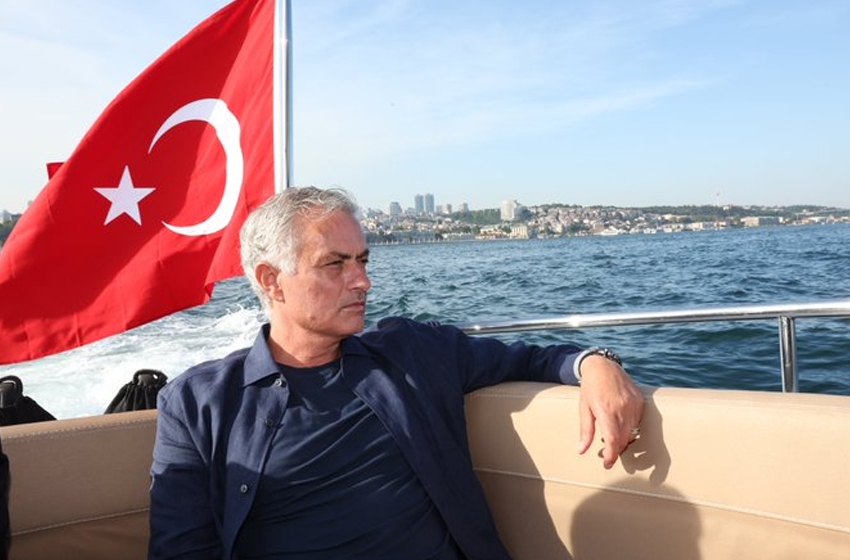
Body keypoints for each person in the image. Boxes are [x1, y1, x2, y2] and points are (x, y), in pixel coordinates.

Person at [148, 187, 644, 560]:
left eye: (362, 260)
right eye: (335, 265)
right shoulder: (195, 405)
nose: (363, 281)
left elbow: (532, 359)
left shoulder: (412, 353)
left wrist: (595, 363)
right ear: (271, 281)